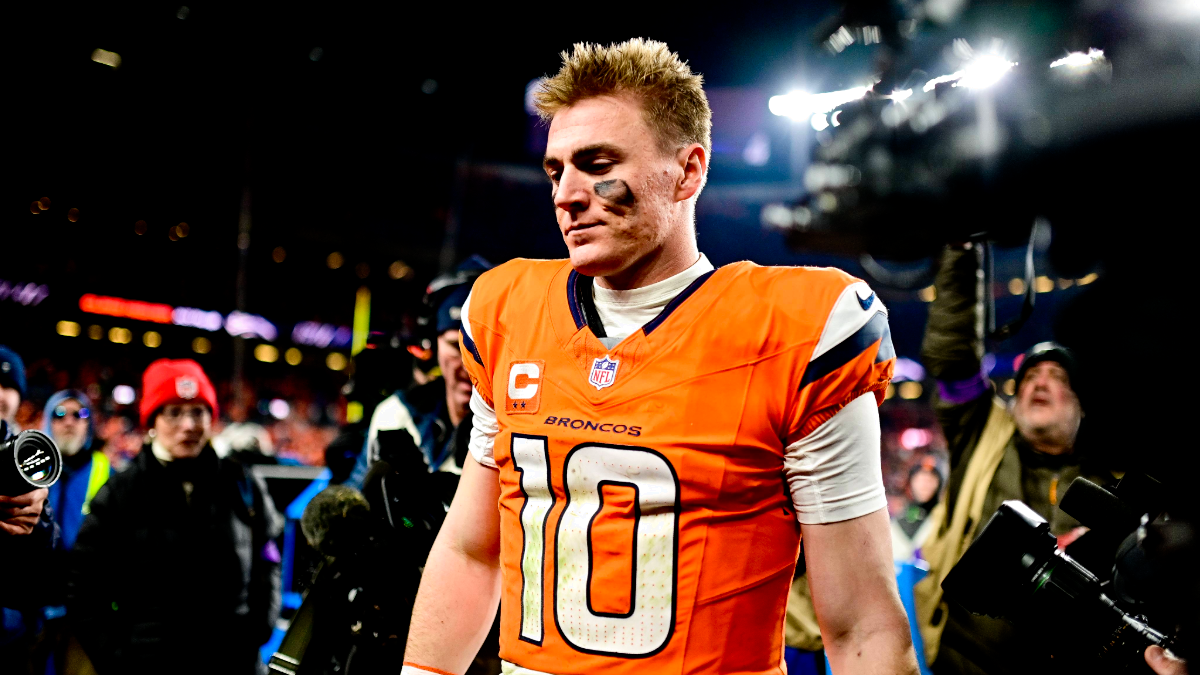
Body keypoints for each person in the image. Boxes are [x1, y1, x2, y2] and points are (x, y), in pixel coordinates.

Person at [402, 39, 917, 675]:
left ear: (689, 171)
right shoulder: (506, 311)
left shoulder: (799, 329)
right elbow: (473, 551)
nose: (567, 193)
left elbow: (860, 620)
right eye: (556, 170)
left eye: (597, 163)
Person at [913, 244, 1119, 675]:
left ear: (1084, 404)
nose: (1039, 383)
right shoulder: (981, 432)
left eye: (1058, 377)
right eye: (1029, 377)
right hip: (961, 662)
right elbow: (953, 357)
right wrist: (961, 252)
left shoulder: (1112, 471)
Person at [68, 359, 282, 675]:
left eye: (198, 411)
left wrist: (256, 631)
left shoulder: (243, 484)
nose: (188, 424)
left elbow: (268, 559)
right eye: (174, 412)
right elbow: (84, 589)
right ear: (152, 421)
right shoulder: (119, 494)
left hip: (234, 663)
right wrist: (118, 659)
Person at [0, 346, 62, 674]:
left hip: (11, 636)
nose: (0, 394)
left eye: (9, 385)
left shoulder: (23, 455)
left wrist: (35, 521)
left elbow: (50, 551)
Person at [43, 390, 110, 550]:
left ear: (88, 424)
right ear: (48, 423)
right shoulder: (33, 468)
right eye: (59, 414)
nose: (69, 422)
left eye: (79, 414)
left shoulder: (107, 471)